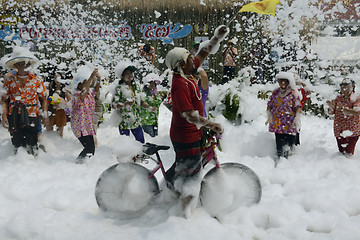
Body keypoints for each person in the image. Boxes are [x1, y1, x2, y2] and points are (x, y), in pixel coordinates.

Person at [164, 24, 228, 218]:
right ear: (182, 64)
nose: (194, 58)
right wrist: (211, 124)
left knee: (184, 167)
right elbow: (189, 115)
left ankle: (169, 187)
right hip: (186, 136)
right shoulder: (180, 84)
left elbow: (203, 53)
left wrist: (217, 37)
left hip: (192, 133)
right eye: (189, 58)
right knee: (191, 178)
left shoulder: (188, 73)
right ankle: (183, 216)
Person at [1, 46, 48, 156]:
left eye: (28, 63)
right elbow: (4, 100)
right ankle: (19, 166)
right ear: (16, 65)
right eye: (23, 63)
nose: (26, 66)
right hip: (14, 114)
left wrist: (45, 114)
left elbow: (43, 98)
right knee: (17, 142)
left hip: (32, 113)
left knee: (32, 141)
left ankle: (34, 163)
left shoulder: (37, 80)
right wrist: (4, 115)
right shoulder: (9, 80)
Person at [112, 61, 155, 143]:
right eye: (127, 73)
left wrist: (149, 107)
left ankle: (139, 155)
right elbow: (113, 105)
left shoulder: (137, 87)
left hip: (135, 121)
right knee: (125, 144)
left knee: (141, 142)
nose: (130, 75)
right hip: (123, 122)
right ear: (122, 76)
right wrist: (125, 104)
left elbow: (141, 102)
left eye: (131, 73)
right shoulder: (119, 88)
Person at [266, 72, 301, 163]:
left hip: (290, 123)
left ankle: (290, 164)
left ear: (288, 82)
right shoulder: (275, 92)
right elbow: (270, 105)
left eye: (284, 81)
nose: (282, 83)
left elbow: (298, 107)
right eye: (280, 81)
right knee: (279, 145)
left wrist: (297, 118)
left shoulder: (293, 93)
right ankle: (279, 162)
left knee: (289, 146)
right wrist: (269, 115)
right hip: (278, 124)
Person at [70, 66, 101, 164]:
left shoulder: (90, 93)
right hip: (79, 126)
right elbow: (83, 92)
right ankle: (77, 163)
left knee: (92, 150)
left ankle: (84, 165)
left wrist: (98, 79)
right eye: (82, 83)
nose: (86, 85)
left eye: (86, 83)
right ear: (78, 86)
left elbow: (96, 88)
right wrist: (91, 77)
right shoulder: (77, 95)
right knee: (89, 148)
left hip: (87, 125)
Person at [326, 78, 360, 156]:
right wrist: (331, 107)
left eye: (346, 85)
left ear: (352, 86)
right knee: (341, 153)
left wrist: (344, 109)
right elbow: (331, 112)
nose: (343, 87)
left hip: (352, 131)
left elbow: (357, 112)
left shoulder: (356, 98)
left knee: (348, 154)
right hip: (339, 130)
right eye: (341, 85)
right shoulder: (338, 98)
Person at [47, 73, 70, 138]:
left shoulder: (64, 89)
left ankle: (60, 144)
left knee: (60, 131)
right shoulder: (50, 87)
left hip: (60, 110)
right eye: (55, 77)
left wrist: (63, 103)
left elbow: (69, 100)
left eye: (58, 77)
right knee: (49, 129)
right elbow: (45, 98)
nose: (57, 79)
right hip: (51, 109)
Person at [141, 73, 163, 138]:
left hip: (154, 120)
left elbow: (158, 102)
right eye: (150, 82)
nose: (152, 84)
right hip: (146, 121)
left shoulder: (155, 93)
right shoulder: (143, 93)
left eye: (153, 83)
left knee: (155, 139)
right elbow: (142, 103)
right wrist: (150, 107)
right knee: (150, 139)